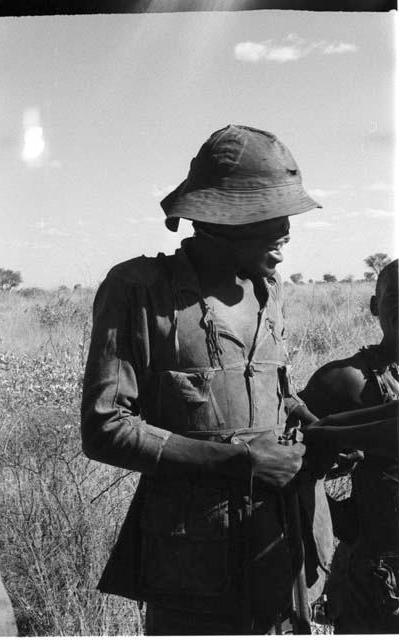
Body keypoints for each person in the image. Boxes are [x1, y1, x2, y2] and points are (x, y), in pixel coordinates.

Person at [81, 124, 334, 635]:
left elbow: (275, 396)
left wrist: (315, 426)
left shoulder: (270, 287)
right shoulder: (140, 291)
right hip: (192, 567)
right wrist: (238, 460)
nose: (286, 229)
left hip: (282, 548)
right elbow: (105, 427)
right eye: (271, 216)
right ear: (225, 222)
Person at [300, 259, 399, 633]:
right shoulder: (344, 382)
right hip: (377, 581)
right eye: (397, 300)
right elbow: (290, 456)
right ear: (376, 307)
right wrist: (343, 520)